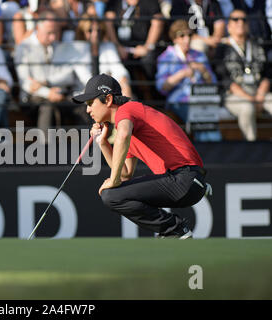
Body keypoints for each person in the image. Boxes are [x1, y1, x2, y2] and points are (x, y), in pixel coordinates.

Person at [72, 74, 212, 239]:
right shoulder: (126, 126)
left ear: (108, 99)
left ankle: (175, 228)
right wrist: (102, 143)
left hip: (185, 178)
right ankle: (173, 230)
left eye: (90, 103)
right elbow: (125, 174)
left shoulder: (128, 110)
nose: (88, 110)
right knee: (114, 194)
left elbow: (122, 141)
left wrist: (113, 179)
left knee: (111, 195)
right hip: (185, 181)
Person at [14, 10, 91, 138]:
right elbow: (26, 84)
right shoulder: (24, 48)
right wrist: (47, 92)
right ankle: (44, 152)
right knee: (48, 107)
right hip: (31, 99)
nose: (53, 37)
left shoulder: (57, 45)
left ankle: (87, 150)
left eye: (56, 32)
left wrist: (46, 83)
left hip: (58, 93)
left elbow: (68, 74)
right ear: (37, 28)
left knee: (82, 107)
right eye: (49, 33)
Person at [156, 19, 221, 142]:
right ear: (175, 38)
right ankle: (208, 153)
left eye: (189, 35)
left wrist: (204, 71)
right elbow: (162, 87)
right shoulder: (166, 57)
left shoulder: (199, 55)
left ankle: (215, 151)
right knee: (201, 118)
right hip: (180, 101)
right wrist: (182, 74)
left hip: (202, 99)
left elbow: (213, 82)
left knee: (208, 120)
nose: (187, 39)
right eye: (182, 35)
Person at [215, 9, 272, 141]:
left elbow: (268, 74)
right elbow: (225, 80)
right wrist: (250, 99)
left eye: (244, 20)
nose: (240, 22)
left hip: (259, 92)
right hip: (235, 95)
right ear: (228, 26)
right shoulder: (222, 48)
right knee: (247, 107)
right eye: (235, 19)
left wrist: (260, 95)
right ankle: (251, 147)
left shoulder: (258, 44)